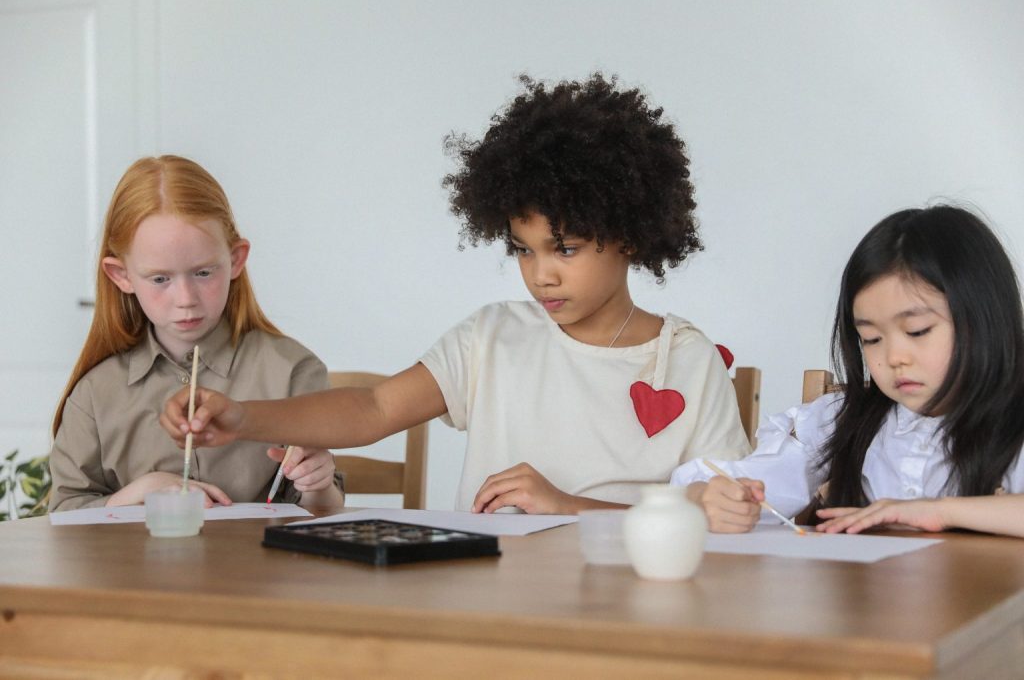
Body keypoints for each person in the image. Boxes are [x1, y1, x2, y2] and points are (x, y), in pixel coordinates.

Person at [161, 74, 751, 514]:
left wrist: (567, 506)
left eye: (563, 249)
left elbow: (728, 518)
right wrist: (240, 417)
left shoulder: (687, 362)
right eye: (523, 249)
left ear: (627, 235)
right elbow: (374, 408)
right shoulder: (493, 337)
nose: (540, 274)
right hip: (491, 605)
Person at [671, 205, 1024, 538]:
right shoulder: (840, 421)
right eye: (871, 338)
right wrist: (707, 498)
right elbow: (728, 486)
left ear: (983, 317)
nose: (894, 357)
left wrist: (941, 512)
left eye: (917, 331)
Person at [49, 155, 344, 511]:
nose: (186, 300)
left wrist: (318, 484)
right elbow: (63, 516)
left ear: (235, 259)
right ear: (121, 276)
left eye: (204, 273)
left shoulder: (294, 371)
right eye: (160, 279)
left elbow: (323, 510)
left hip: (256, 567)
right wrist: (145, 489)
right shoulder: (95, 395)